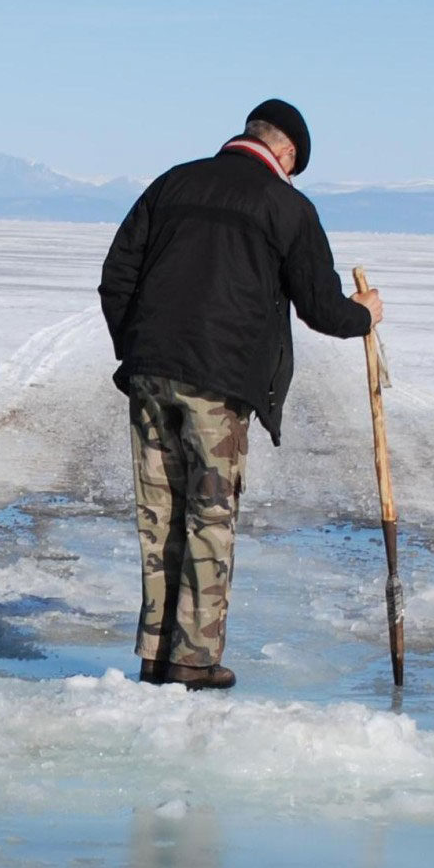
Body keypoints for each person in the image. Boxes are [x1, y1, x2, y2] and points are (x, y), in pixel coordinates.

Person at [99, 99, 383, 690]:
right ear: (286, 153)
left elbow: (116, 276)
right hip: (218, 387)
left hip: (150, 374)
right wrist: (362, 315)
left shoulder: (172, 184)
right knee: (210, 514)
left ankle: (156, 653)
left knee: (160, 515)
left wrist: (140, 346)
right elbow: (319, 306)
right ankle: (193, 658)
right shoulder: (286, 205)